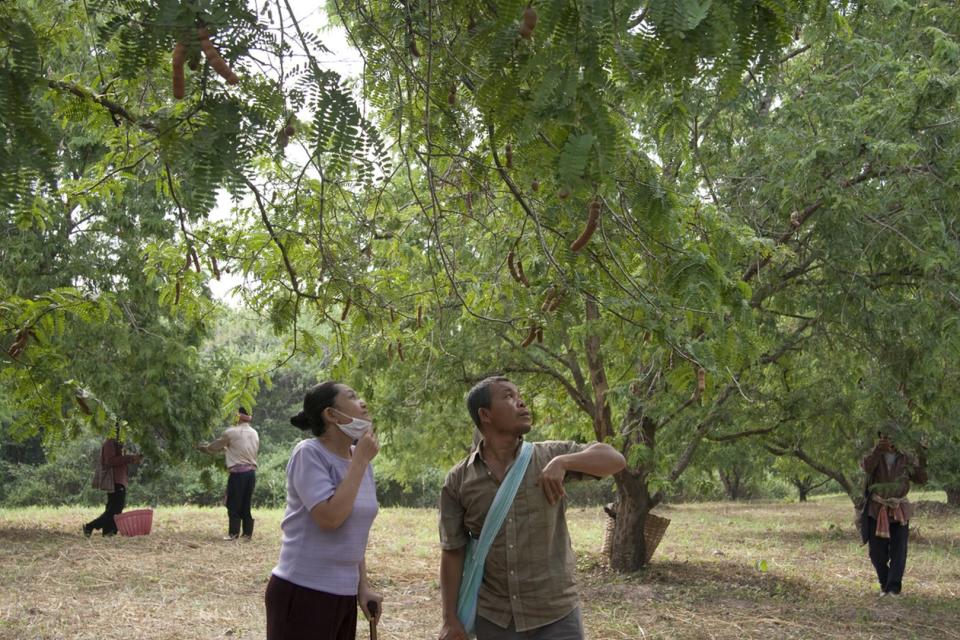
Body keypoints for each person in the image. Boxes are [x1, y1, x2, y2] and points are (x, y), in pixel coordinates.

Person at [438, 376, 626, 640]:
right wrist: (450, 620)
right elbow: (453, 551)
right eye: (508, 396)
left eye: (520, 394)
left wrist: (564, 462)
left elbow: (615, 460)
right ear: (485, 415)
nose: (522, 402)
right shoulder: (458, 480)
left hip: (556, 615)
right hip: (495, 618)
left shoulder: (548, 456)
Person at [265, 381, 383, 640]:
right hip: (303, 590)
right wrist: (361, 460)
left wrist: (363, 585)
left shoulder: (359, 461)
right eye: (352, 397)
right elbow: (330, 518)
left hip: (344, 594)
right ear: (330, 414)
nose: (362, 402)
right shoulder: (308, 453)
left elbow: (354, 533)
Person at [860, 430, 928, 596]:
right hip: (876, 509)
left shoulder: (906, 457)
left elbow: (921, 479)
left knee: (899, 551)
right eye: (884, 436)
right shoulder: (872, 453)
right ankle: (885, 583)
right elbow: (867, 468)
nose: (888, 439)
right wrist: (877, 450)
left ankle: (893, 588)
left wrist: (922, 455)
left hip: (899, 509)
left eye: (891, 436)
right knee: (876, 553)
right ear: (880, 437)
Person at [197, 407, 261, 540]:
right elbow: (241, 448)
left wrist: (204, 448)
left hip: (238, 474)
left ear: (237, 417)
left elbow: (214, 447)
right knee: (245, 503)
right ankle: (247, 534)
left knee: (233, 503)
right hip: (251, 474)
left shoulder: (231, 432)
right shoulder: (254, 433)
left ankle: (233, 534)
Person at [84, 431, 143, 537]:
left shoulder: (118, 443)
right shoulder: (110, 442)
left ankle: (108, 532)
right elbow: (109, 461)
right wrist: (129, 458)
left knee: (113, 509)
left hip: (120, 480)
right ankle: (91, 526)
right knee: (115, 510)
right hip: (115, 480)